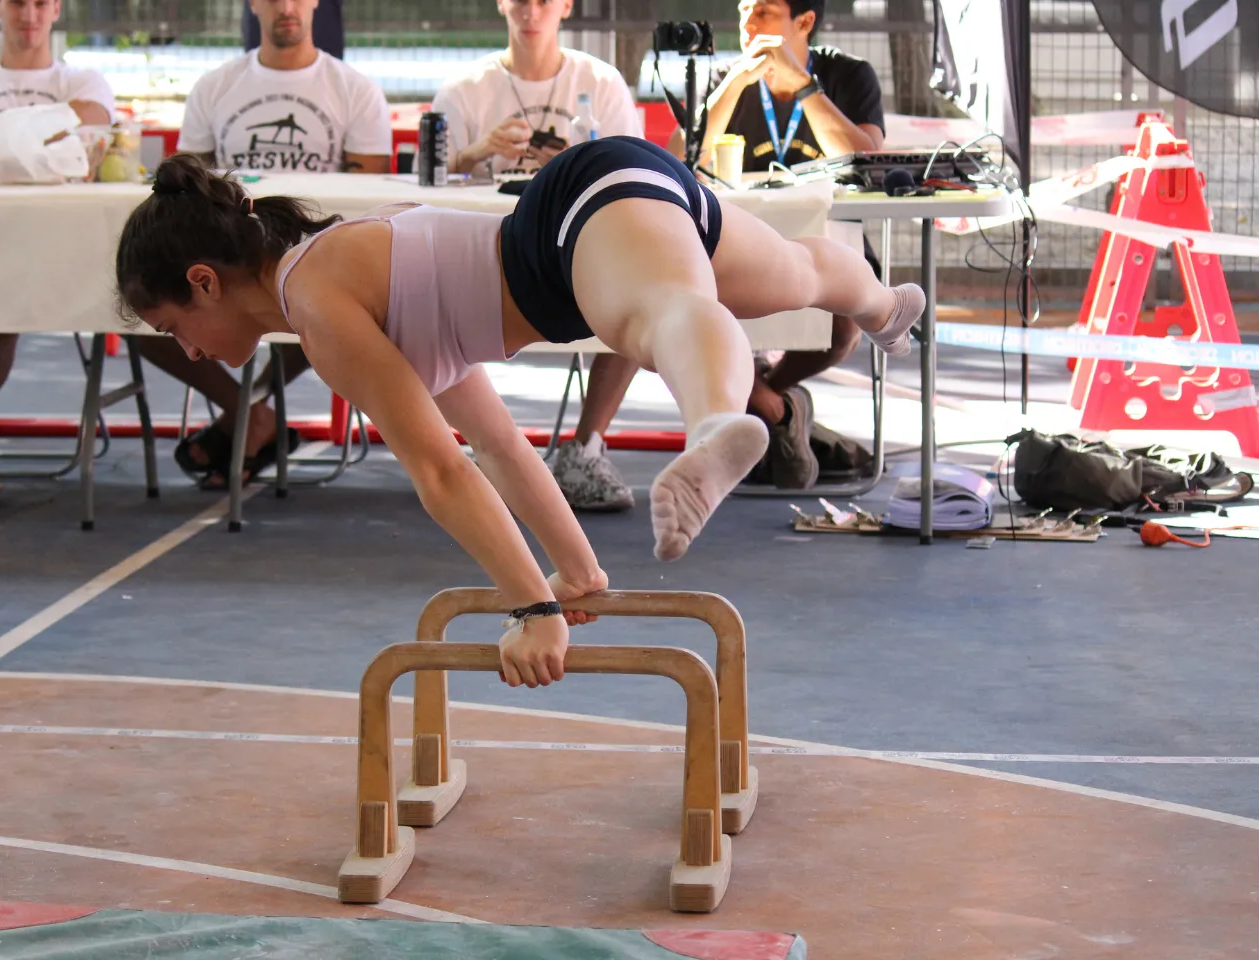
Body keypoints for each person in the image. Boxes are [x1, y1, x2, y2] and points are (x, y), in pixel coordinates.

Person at [114, 139, 922, 688]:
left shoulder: (318, 306)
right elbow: (496, 444)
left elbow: (440, 470)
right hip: (607, 197)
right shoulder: (336, 276)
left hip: (568, 230)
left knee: (655, 313)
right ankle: (886, 305)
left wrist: (532, 608)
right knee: (793, 272)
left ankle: (714, 425)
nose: (185, 351)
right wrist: (574, 573)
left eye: (172, 328)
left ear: (205, 281)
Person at [138, 0, 392, 489]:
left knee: (333, 301)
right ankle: (251, 416)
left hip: (318, 261)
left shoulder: (355, 89)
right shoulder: (216, 86)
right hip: (227, 264)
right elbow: (184, 197)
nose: (286, 7)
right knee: (148, 306)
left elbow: (368, 198)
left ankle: (244, 420)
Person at [432, 0, 645, 512]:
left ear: (565, 6)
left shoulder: (601, 80)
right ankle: (482, 448)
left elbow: (632, 175)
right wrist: (478, 151)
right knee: (426, 287)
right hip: (482, 249)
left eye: (544, 1)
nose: (531, 12)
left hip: (580, 250)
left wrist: (573, 164)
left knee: (641, 285)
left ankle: (585, 447)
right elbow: (431, 177)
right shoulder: (464, 88)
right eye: (520, 1)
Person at [695, 0, 888, 489]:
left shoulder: (848, 75)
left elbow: (864, 159)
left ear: (804, 22)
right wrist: (731, 88)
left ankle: (764, 397)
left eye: (762, 12)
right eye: (741, 11)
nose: (747, 25)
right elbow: (686, 162)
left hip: (828, 244)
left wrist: (804, 89)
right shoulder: (727, 80)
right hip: (738, 244)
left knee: (841, 333)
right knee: (679, 313)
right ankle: (776, 410)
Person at [0, 0, 115, 500]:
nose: (29, 14)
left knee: (3, 307)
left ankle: (250, 418)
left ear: (56, 9)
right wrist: (43, 135)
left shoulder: (83, 82)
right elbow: (70, 135)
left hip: (61, 254)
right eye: (18, 1)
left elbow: (93, 127)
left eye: (41, 2)